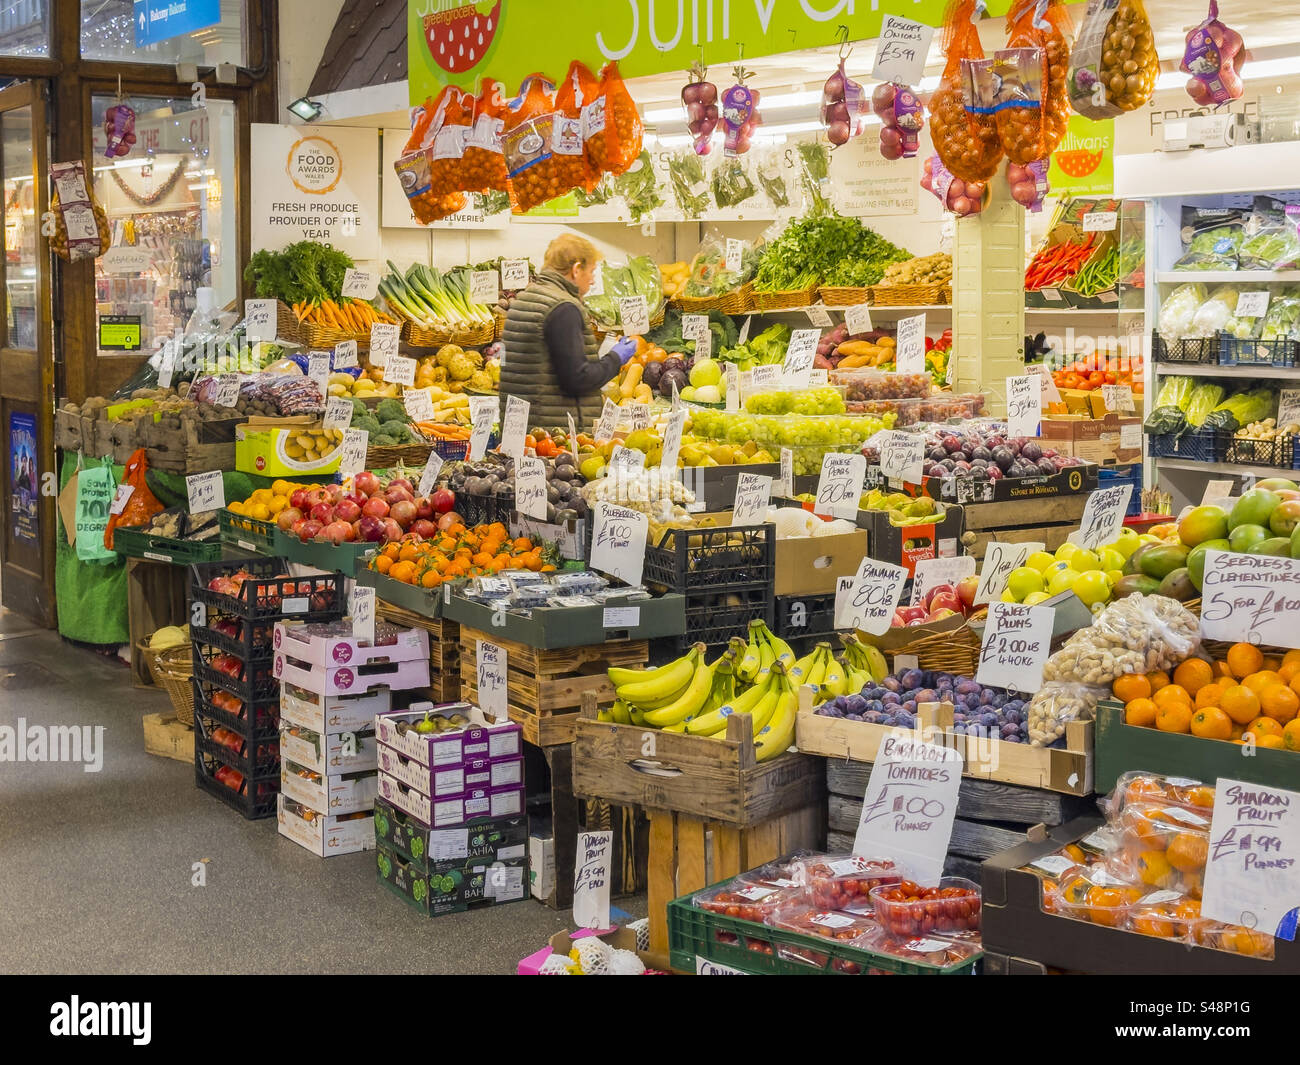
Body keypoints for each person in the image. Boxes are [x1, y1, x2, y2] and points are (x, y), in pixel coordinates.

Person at [499, 234, 635, 428]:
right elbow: (578, 379)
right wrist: (616, 358)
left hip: (525, 427)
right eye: (592, 272)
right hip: (554, 432)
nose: (593, 281)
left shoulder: (525, 299)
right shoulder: (563, 308)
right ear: (576, 269)